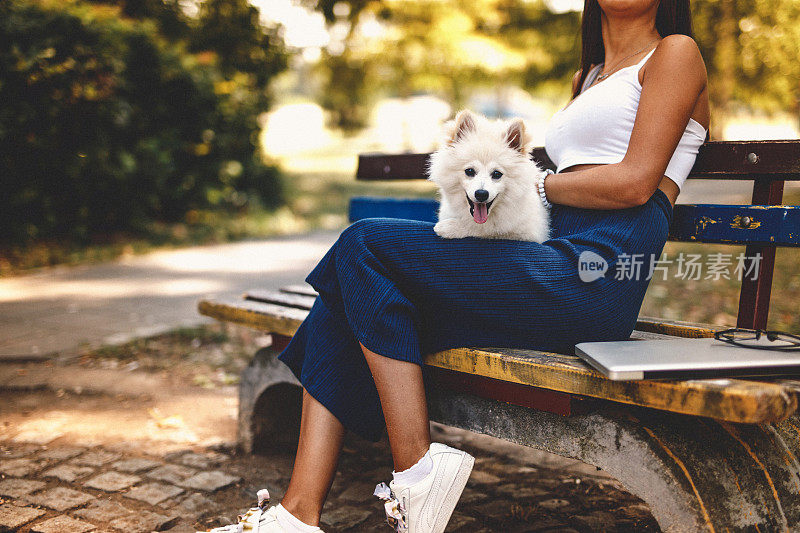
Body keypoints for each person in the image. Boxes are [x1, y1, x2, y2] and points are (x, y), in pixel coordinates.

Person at [203, 0, 709, 531]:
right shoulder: (590, 76)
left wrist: (533, 182)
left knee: (363, 246)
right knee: (351, 297)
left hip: (593, 274)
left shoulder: (675, 53)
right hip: (543, 260)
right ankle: (296, 515)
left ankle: (417, 470)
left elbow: (635, 182)